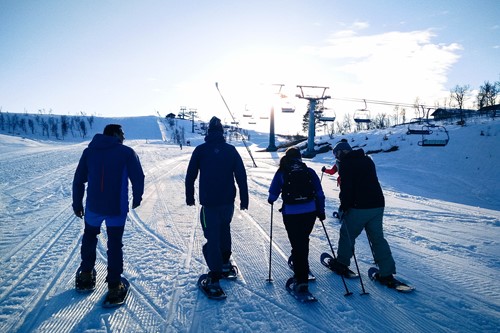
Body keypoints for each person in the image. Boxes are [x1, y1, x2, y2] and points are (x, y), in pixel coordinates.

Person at [72, 124, 145, 299]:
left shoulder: (89, 152)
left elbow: (78, 180)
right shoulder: (127, 152)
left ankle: (86, 275)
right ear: (114, 134)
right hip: (116, 209)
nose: (124, 137)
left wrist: (77, 203)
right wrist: (137, 197)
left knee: (90, 237)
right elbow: (138, 177)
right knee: (114, 244)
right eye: (122, 133)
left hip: (93, 208)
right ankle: (114, 285)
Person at [185, 116, 249, 293]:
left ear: (208, 133)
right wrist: (244, 199)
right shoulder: (231, 150)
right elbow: (241, 176)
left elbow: (191, 175)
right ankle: (225, 262)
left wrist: (189, 196)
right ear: (221, 132)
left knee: (212, 236)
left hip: (209, 203)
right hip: (228, 202)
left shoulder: (200, 150)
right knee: (225, 229)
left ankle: (214, 277)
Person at [327, 140, 398, 286]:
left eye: (336, 153)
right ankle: (386, 272)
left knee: (347, 234)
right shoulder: (367, 160)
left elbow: (347, 189)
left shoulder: (346, 165)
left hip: (360, 206)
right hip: (377, 205)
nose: (336, 157)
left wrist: (344, 207)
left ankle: (342, 263)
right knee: (378, 239)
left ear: (342, 152)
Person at [267, 147, 326, 296]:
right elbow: (319, 193)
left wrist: (271, 199)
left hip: (291, 212)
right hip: (310, 212)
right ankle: (300, 264)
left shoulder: (282, 171)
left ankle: (301, 280)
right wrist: (321, 210)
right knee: (302, 240)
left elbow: (273, 192)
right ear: (300, 158)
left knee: (297, 242)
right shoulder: (309, 171)